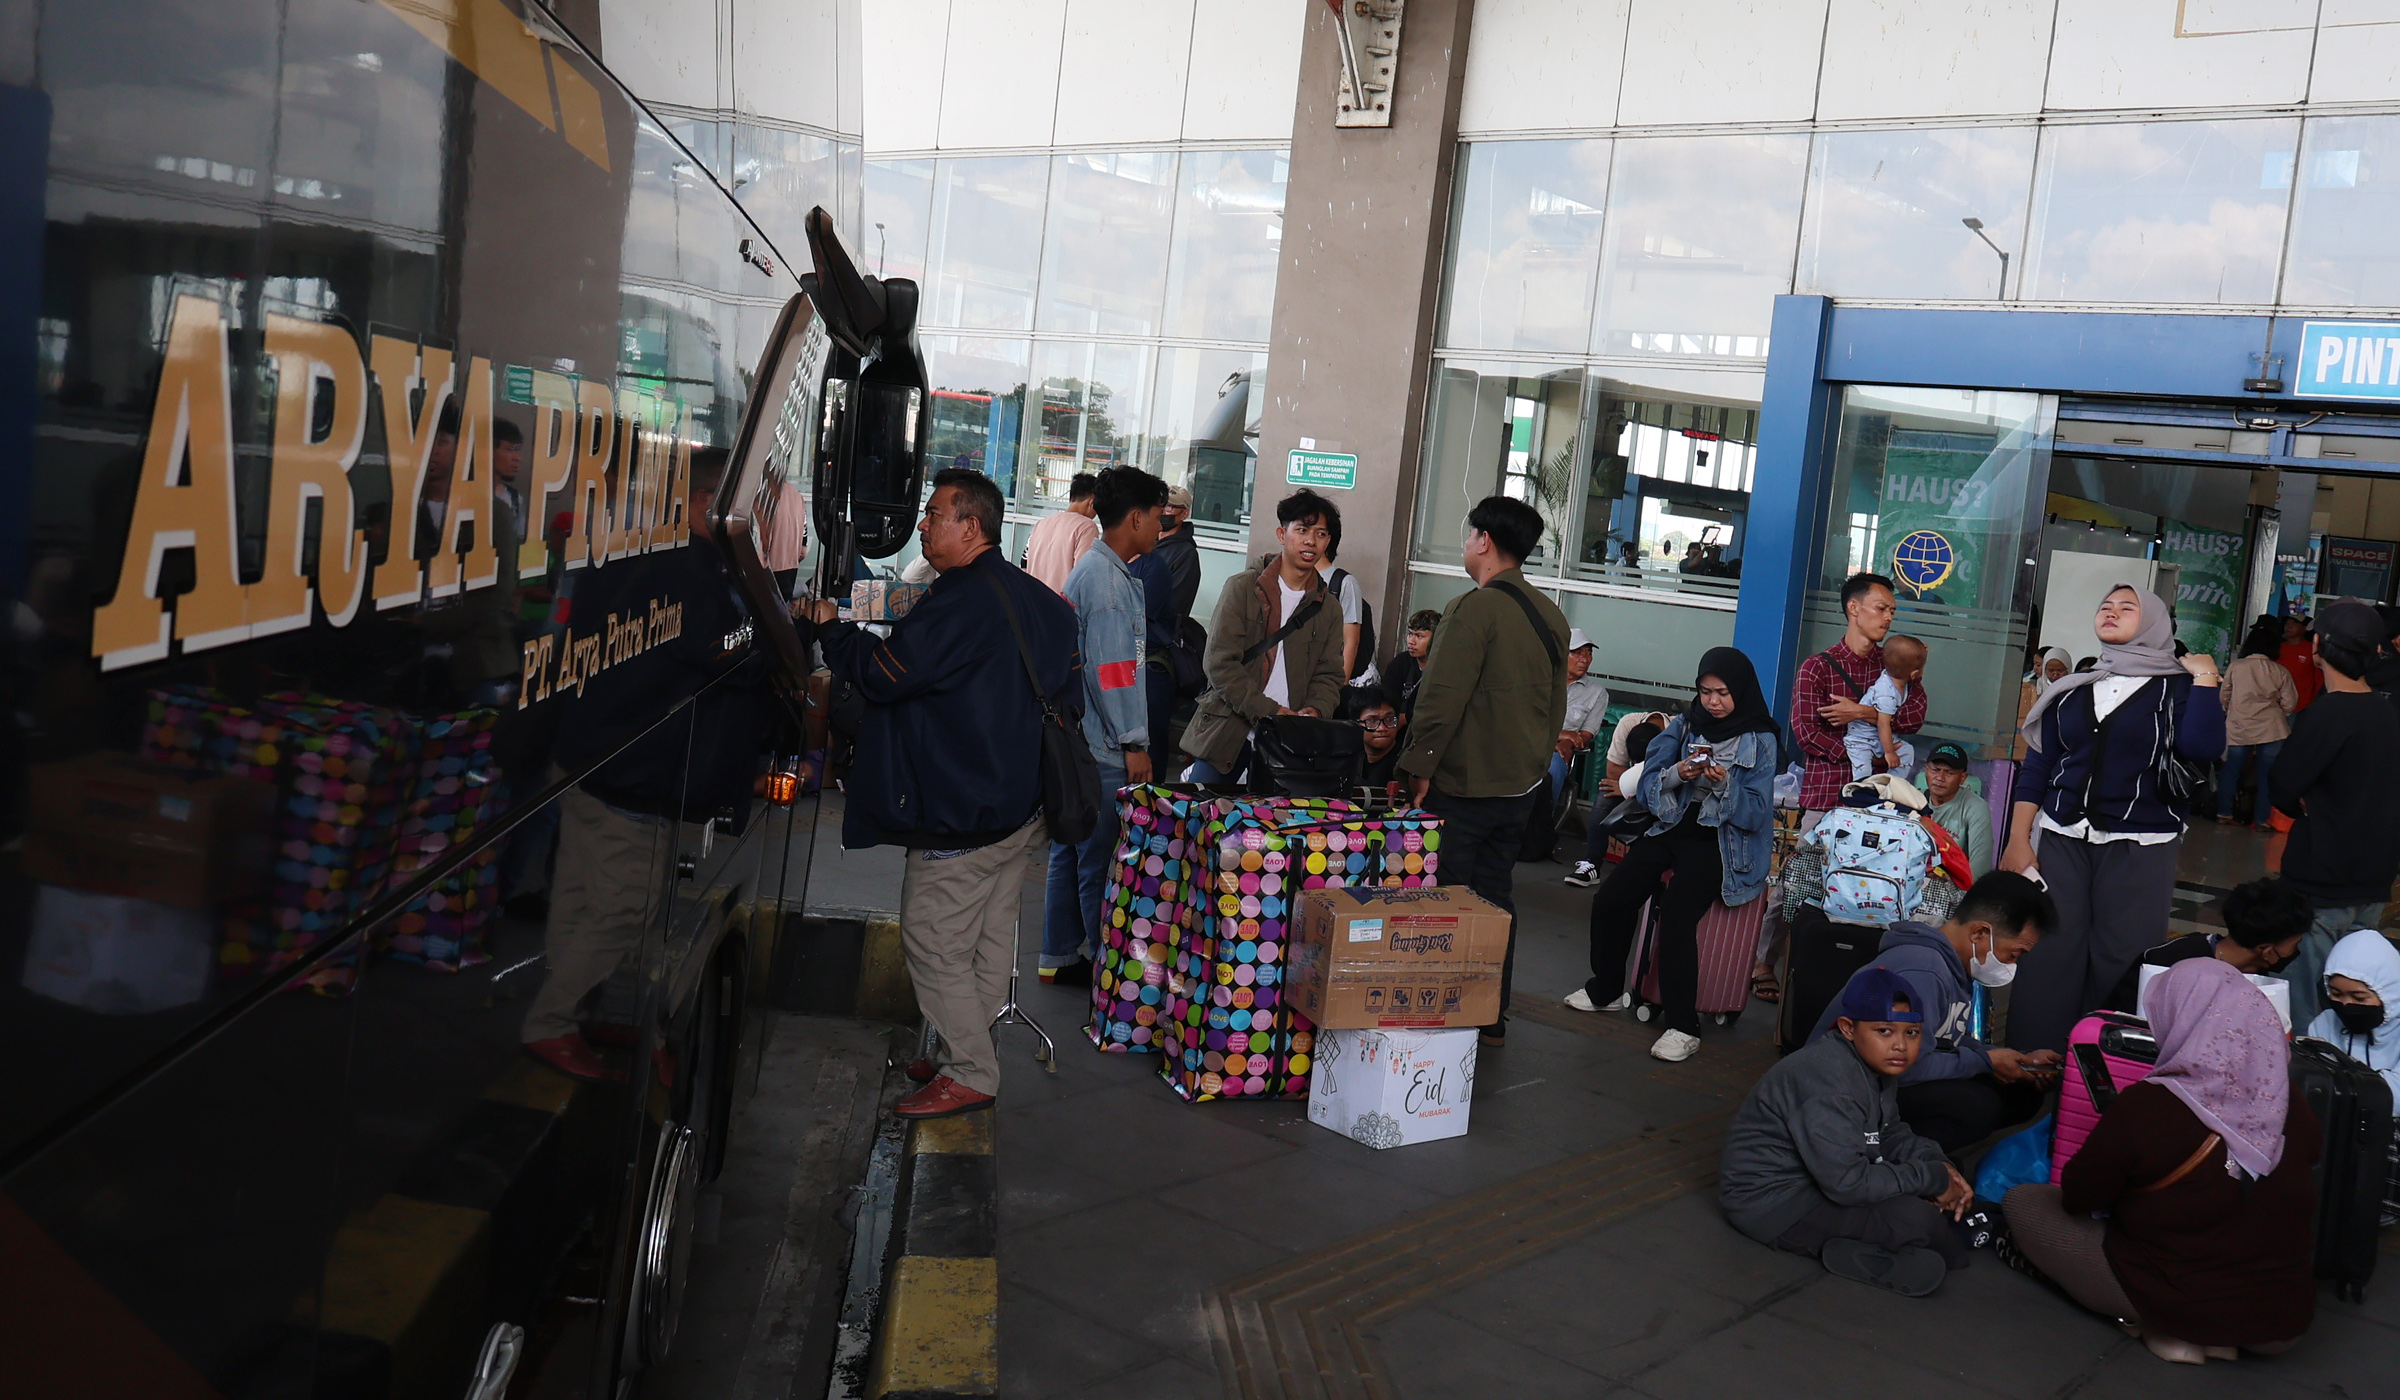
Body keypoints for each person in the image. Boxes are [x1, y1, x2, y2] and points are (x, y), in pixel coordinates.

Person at [807, 468, 1080, 1118]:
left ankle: (971, 1072)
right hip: (1023, 802)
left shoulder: (960, 599)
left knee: (932, 939)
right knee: (987, 939)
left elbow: (884, 674)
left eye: (933, 514)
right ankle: (962, 1047)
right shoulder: (1037, 598)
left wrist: (831, 628)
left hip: (965, 806)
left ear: (971, 525)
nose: (923, 524)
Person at [2003, 957, 2318, 1365]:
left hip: (2171, 1298)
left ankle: (2156, 1327)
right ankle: (2217, 1337)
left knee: (2024, 1203)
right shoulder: (2292, 1102)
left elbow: (2079, 1196)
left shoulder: (2150, 1106)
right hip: (2277, 1325)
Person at [2001, 584, 2223, 1054]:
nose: (2112, 612)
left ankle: (2104, 1067)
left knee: (2123, 957)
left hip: (2141, 842)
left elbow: (2204, 748)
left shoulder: (2178, 687)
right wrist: (2019, 838)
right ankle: (2033, 1063)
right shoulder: (2075, 686)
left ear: (2154, 623)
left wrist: (2205, 679)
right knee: (2049, 952)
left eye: (2127, 607)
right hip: (2061, 835)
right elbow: (2040, 765)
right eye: (2105, 605)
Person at [1398, 496, 1571, 1045]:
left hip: (1461, 786)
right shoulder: (1551, 614)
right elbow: (1555, 707)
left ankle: (1438, 1013)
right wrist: (1532, 769)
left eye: (1469, 532)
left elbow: (1440, 699)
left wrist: (1417, 766)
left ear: (1484, 541)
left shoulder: (1473, 608)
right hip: (1519, 786)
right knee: (1496, 898)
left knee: (1445, 896)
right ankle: (1488, 1014)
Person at [1567, 647, 1777, 1062]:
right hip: (1671, 826)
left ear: (1743, 691)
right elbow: (1645, 785)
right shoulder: (1683, 725)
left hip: (1722, 841)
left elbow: (1756, 814)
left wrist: (1723, 786)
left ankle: (1683, 1026)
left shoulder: (1761, 738)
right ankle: (1606, 988)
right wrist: (1677, 774)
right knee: (1612, 898)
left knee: (1680, 914)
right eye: (1705, 691)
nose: (1713, 702)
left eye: (1723, 693)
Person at [1719, 968, 1972, 1297]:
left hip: (1823, 1178)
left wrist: (1938, 1165)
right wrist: (1931, 1179)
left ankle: (1939, 1229)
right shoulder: (1826, 1079)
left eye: (1912, 1033)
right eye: (1884, 1031)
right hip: (1773, 1205)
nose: (1900, 1046)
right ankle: (1947, 1236)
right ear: (1848, 1028)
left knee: (1944, 1174)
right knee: (1918, 1220)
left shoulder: (1873, 1064)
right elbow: (1847, 1184)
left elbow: (1889, 1131)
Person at [1806, 872, 2059, 1151]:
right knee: (1976, 1108)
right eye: (2014, 953)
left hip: (1892, 1073)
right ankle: (1886, 1159)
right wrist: (1986, 1061)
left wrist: (2017, 1061)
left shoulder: (1952, 966)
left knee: (2021, 1092)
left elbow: (1945, 1038)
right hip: (1845, 1089)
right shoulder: (1923, 971)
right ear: (1979, 932)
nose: (2013, 963)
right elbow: (1900, 1065)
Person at [1040, 467, 1167, 986]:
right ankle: (1105, 977)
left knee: (1068, 854)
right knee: (1099, 862)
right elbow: (1115, 676)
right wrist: (1135, 742)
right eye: (1158, 518)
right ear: (1135, 518)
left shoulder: (1097, 569)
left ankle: (1057, 956)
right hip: (1104, 748)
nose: (1161, 529)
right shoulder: (1110, 584)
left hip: (1080, 742)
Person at [2268, 598, 2400, 1031]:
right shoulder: (2388, 714)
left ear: (2320, 644)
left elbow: (2285, 788)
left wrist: (2308, 799)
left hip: (2320, 884)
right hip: (2373, 882)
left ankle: (2307, 1088)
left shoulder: (2325, 714)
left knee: (2307, 1006)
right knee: (2353, 1001)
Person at [1182, 491, 1347, 784]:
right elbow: (1220, 664)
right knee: (1206, 819)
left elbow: (1330, 675)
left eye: (1321, 534)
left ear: (1328, 542)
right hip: (1229, 731)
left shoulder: (1329, 607)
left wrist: (1315, 709)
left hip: (1290, 742)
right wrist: (1269, 712)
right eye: (1302, 530)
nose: (1311, 540)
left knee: (1277, 827)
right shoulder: (1243, 588)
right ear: (1282, 534)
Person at [1792, 573, 1927, 824]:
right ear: (1853, 607)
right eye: (1881, 608)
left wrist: (1861, 713)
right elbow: (1807, 735)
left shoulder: (1895, 663)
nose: (1888, 618)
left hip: (1882, 804)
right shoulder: (1817, 667)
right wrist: (1870, 755)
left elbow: (1915, 717)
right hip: (1827, 797)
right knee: (1812, 862)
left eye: (1892, 611)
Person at [2117, 875, 2312, 1015]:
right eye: (2295, 943)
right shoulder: (2165, 963)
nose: (2296, 951)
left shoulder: (2261, 981)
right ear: (2266, 950)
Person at [2309, 928, 2400, 1225]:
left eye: (2359, 997)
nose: (2346, 1005)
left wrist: (2342, 1084)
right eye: (2336, 994)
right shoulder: (2325, 1022)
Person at [1129, 482, 1203, 766]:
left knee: (1152, 739)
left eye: (1172, 507)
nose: (1166, 512)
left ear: (1184, 514)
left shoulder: (1184, 554)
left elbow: (1172, 607)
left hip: (1155, 654)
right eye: (1163, 506)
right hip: (1131, 653)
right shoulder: (1147, 545)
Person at [1563, 709, 1669, 889]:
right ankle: (1592, 864)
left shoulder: (1678, 731)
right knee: (1605, 795)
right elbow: (1612, 771)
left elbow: (1674, 777)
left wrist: (1638, 784)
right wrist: (1633, 783)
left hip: (1664, 791)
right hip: (1631, 784)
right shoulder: (1629, 723)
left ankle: (1640, 870)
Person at [2217, 618, 2297, 830]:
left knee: (2231, 771)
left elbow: (2223, 697)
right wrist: (2278, 712)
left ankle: (2223, 812)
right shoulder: (2280, 671)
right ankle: (2262, 820)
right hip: (2271, 728)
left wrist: (2230, 711)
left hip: (2239, 726)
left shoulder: (2236, 666)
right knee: (2267, 776)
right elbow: (2290, 703)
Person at [1844, 633, 1926, 780]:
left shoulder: (1899, 680)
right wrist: (1889, 752)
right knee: (1863, 772)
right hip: (1861, 740)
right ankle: (1860, 792)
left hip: (1879, 738)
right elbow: (1883, 723)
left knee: (1907, 751)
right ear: (1914, 674)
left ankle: (1892, 783)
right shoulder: (1887, 693)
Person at [1547, 628, 1609, 808]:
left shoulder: (1596, 694)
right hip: (1527, 743)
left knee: (1553, 768)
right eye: (1577, 652)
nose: (1585, 659)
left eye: (1589, 653)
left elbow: (1585, 736)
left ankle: (1540, 828)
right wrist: (1562, 735)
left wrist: (1567, 742)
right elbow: (1524, 722)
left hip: (1557, 753)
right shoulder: (1542, 681)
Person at [1920, 742, 1993, 879]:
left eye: (1949, 773)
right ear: (1926, 770)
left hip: (1956, 889)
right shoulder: (1916, 803)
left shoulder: (1976, 808)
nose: (1940, 778)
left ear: (1963, 778)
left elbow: (1980, 867)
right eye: (1935, 769)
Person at [1020, 471, 1099, 594]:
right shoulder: (1086, 527)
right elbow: (1084, 577)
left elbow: (1024, 566)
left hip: (1033, 603)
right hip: (1063, 608)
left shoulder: (1041, 524)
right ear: (1092, 502)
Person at [1380, 608, 1440, 716]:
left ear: (1436, 638)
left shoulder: (1444, 667)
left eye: (1419, 636)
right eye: (1410, 634)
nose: (1411, 641)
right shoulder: (1400, 663)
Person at [1353, 685, 1406, 789]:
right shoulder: (1350, 761)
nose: (1382, 728)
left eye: (1389, 719)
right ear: (1356, 724)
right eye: (1372, 721)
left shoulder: (1405, 767)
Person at [2277, 612, 2322, 712]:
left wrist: (2312, 703)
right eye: (2287, 623)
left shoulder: (2312, 649)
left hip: (2301, 707)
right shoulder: (2277, 648)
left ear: (2305, 627)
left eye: (2295, 623)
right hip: (2276, 706)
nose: (2289, 626)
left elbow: (2318, 680)